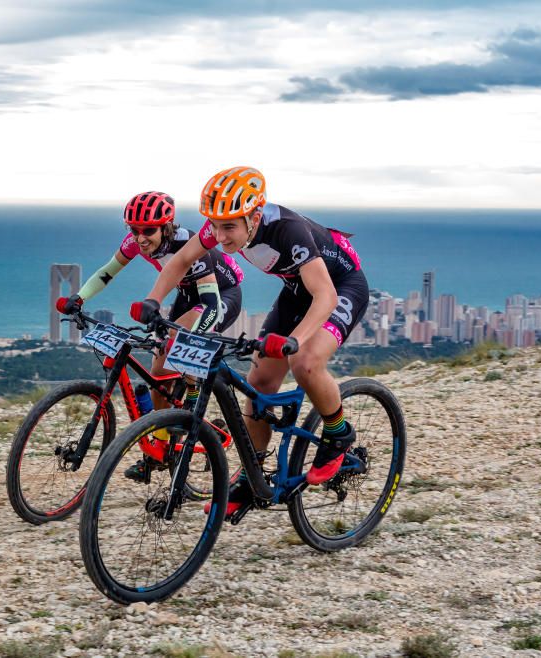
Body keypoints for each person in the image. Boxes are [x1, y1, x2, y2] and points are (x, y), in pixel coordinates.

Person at [130, 167, 368, 519]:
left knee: (305, 363)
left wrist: (293, 341)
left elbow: (325, 296)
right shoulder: (223, 226)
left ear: (254, 217)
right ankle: (252, 476)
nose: (220, 236)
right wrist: (153, 299)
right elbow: (181, 260)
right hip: (296, 291)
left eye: (229, 227)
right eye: (215, 225)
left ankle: (338, 433)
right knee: (257, 386)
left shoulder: (289, 231)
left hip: (339, 287)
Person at [58, 191, 245, 480]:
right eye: (134, 230)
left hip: (219, 295)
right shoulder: (134, 242)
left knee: (178, 349)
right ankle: (158, 450)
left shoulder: (189, 244)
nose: (140, 237)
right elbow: (108, 273)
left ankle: (194, 402)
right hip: (186, 292)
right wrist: (78, 298)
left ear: (166, 227)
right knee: (159, 372)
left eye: (148, 230)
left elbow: (209, 305)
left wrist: (187, 347)